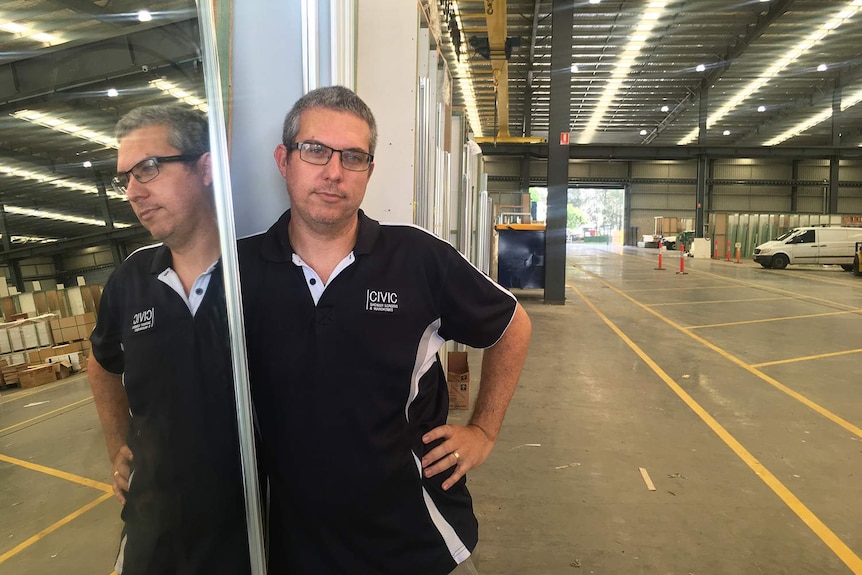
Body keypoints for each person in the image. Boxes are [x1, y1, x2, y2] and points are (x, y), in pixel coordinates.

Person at [238, 85, 531, 574]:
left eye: (353, 157)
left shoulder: (416, 259)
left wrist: (483, 429)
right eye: (315, 150)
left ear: (369, 171)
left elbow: (512, 326)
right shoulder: (241, 271)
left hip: (417, 540)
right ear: (283, 160)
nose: (334, 172)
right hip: (290, 547)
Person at [88, 105, 250, 575]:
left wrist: (483, 430)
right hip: (155, 528)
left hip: (249, 528)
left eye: (149, 168)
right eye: (126, 178)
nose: (134, 192)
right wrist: (117, 442)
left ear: (205, 168)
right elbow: (101, 361)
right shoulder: (132, 279)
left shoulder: (260, 270)